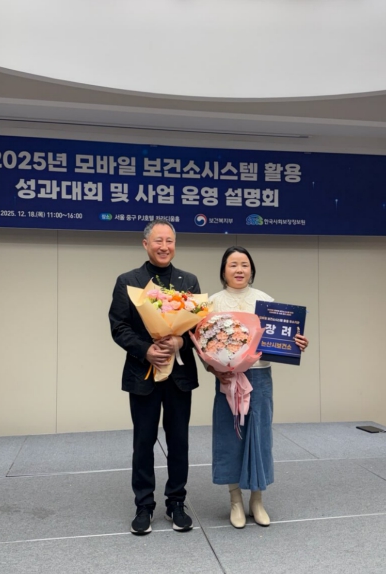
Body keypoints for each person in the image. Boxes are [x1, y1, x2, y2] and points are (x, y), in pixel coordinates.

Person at [108, 219, 200, 535]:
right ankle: (144, 505)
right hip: (143, 374)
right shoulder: (128, 281)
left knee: (179, 442)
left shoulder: (188, 281)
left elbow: (199, 328)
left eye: (169, 241)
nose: (164, 246)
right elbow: (119, 327)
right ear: (145, 244)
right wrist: (146, 350)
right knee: (143, 442)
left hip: (179, 376)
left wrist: (180, 342)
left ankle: (176, 502)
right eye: (158, 241)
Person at [208, 246, 309, 529]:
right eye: (233, 264)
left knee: (260, 435)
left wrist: (297, 343)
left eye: (244, 264)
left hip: (260, 377)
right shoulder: (213, 302)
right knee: (230, 435)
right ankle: (235, 500)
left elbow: (282, 338)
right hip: (228, 379)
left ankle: (257, 499)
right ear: (223, 270)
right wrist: (215, 369)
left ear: (251, 270)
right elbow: (203, 342)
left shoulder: (266, 301)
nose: (239, 269)